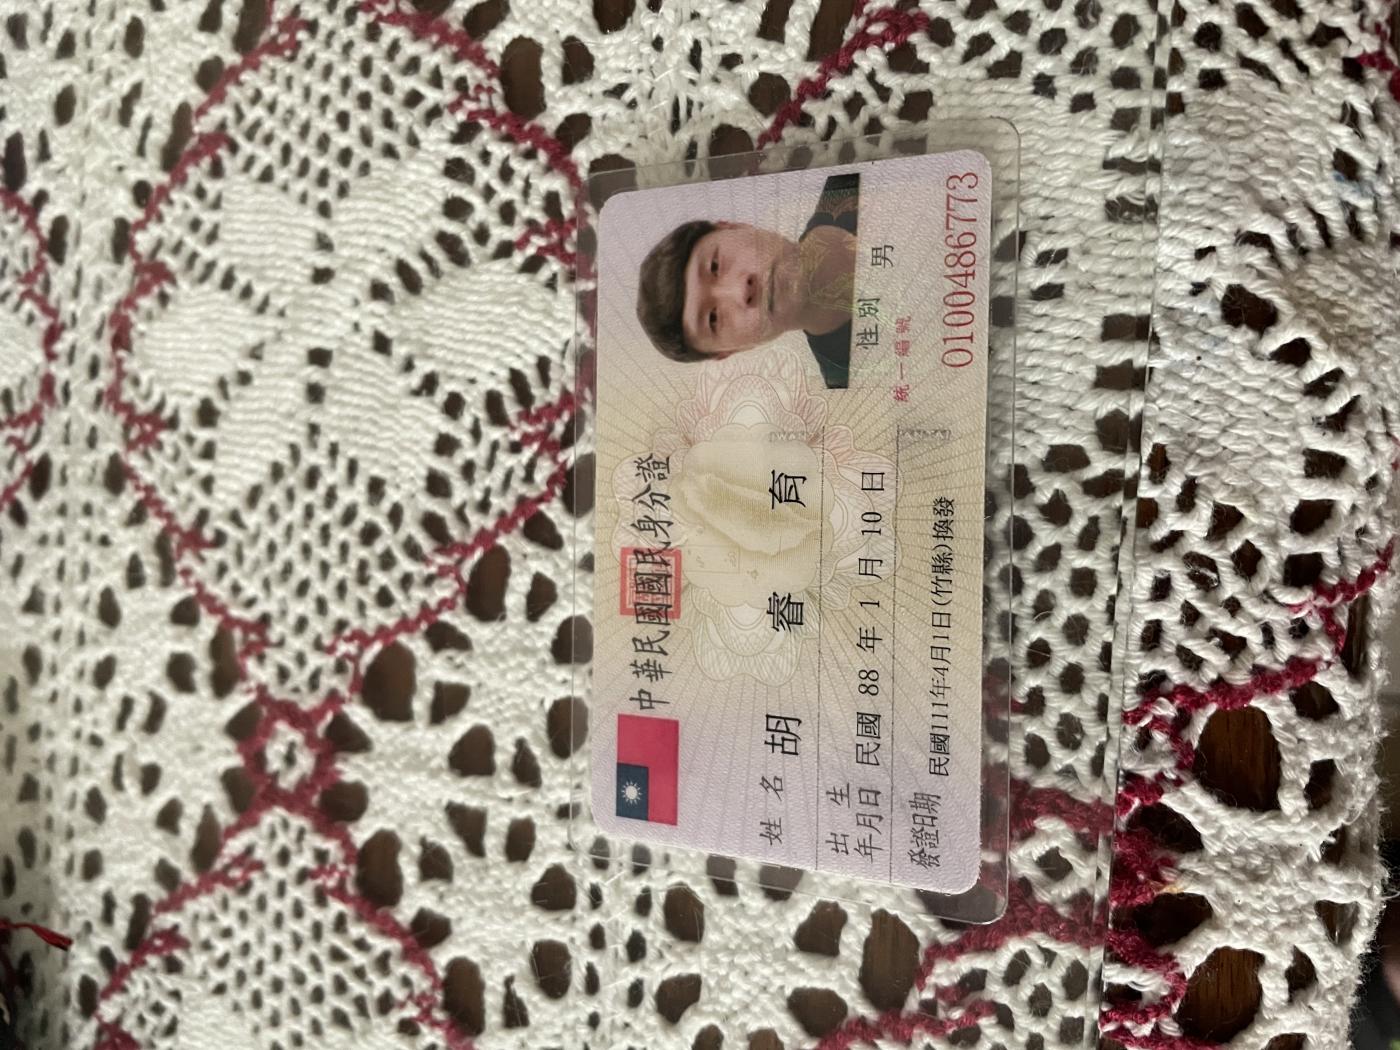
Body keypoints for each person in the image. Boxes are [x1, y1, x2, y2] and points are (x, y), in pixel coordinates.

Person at [635, 172, 860, 389]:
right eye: (713, 318)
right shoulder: (851, 383)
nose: (740, 291)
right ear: (731, 350)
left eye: (715, 266)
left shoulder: (851, 180)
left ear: (733, 226)